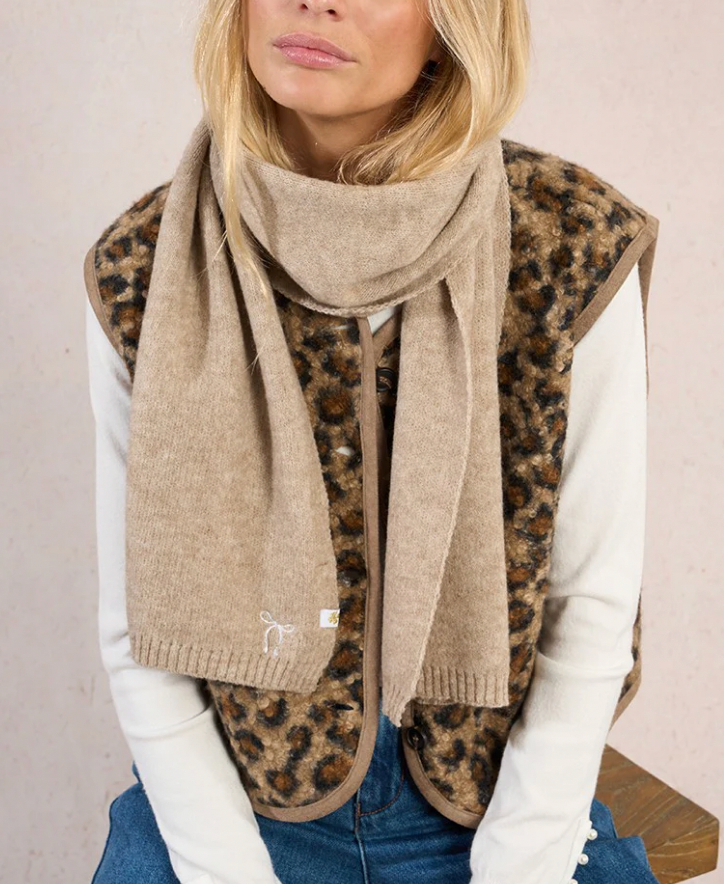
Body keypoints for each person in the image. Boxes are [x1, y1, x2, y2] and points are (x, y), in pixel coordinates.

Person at [84, 1, 662, 883]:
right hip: (230, 812)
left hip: (500, 812)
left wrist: (520, 863)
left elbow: (590, 609)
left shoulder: (571, 242)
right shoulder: (148, 263)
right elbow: (139, 629)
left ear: (455, 24)